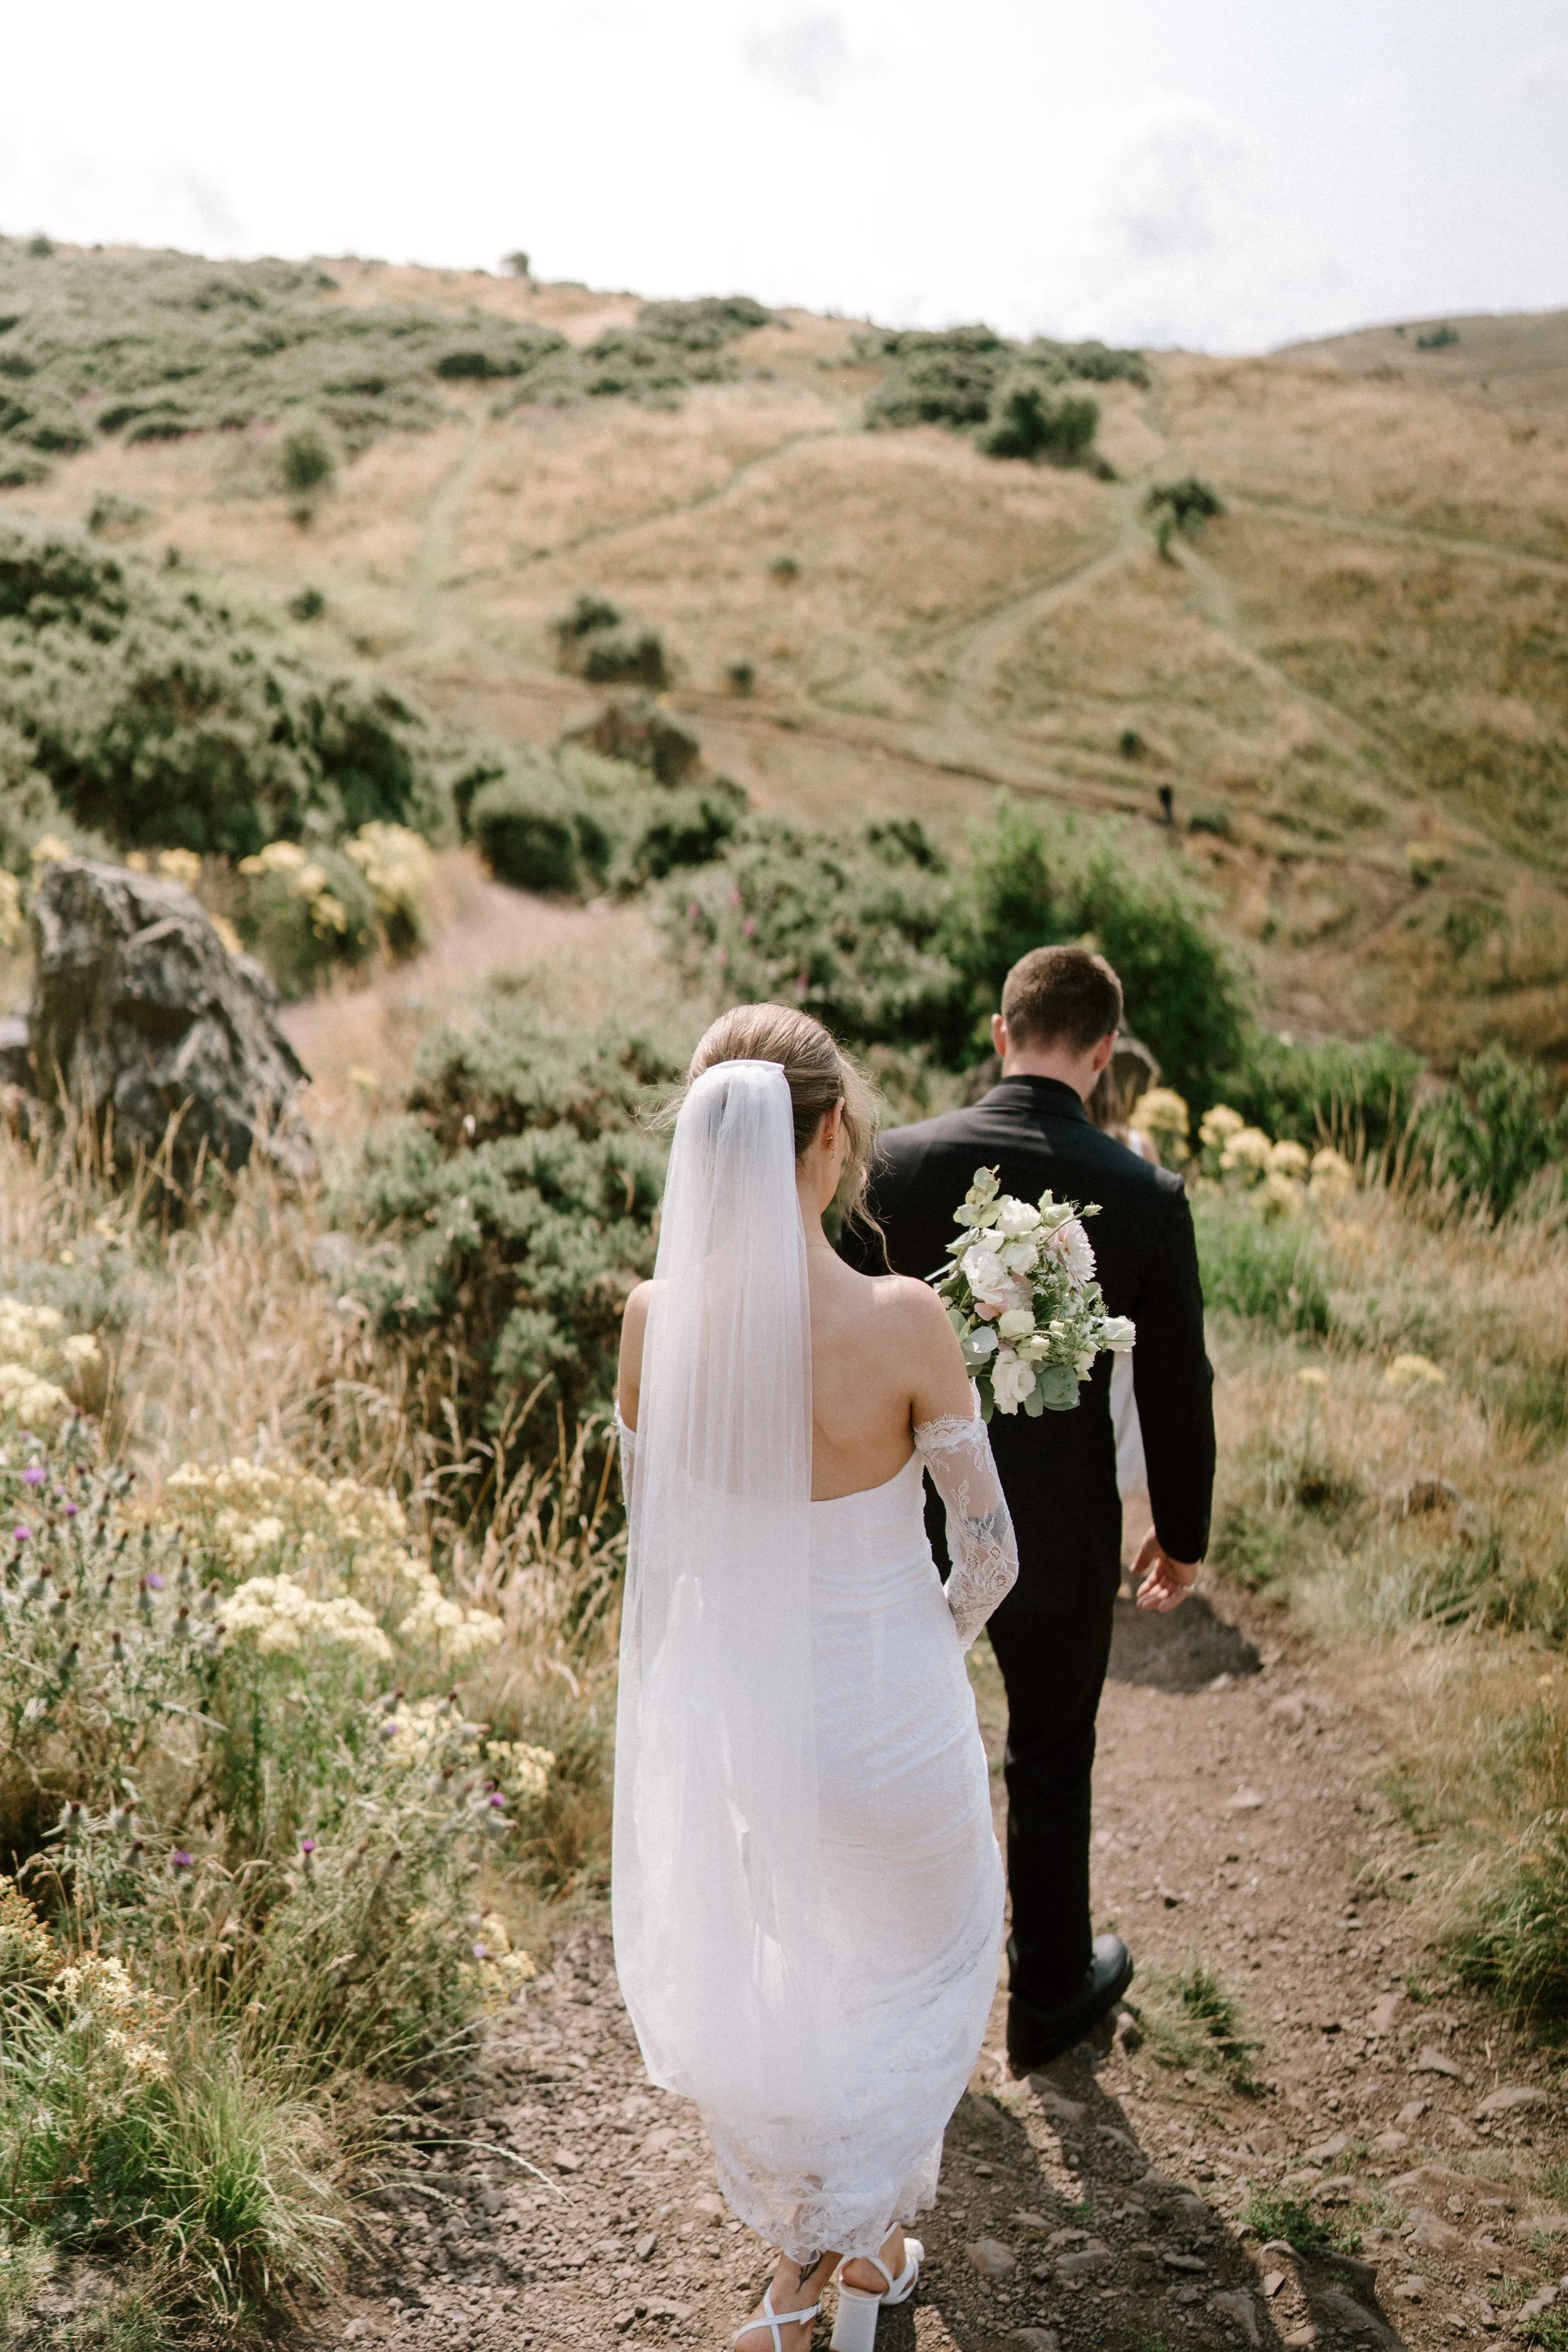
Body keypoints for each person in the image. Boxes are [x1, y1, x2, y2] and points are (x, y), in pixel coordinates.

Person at [613, 1004, 1021, 2352]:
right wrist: (921, 1640)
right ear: (834, 1133)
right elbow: (990, 1556)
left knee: (813, 1975)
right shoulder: (902, 1321)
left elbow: (659, 1549)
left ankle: (819, 2269)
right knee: (928, 1960)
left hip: (753, 1722)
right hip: (894, 1714)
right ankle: (842, 2269)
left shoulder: (651, 1321)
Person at [840, 945, 1216, 2076]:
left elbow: (844, 1340)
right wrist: (1182, 1533)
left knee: (897, 1749)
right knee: (1051, 1753)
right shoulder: (1148, 1195)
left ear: (1001, 1033)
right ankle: (1050, 1997)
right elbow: (1175, 1382)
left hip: (903, 1521)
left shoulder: (898, 1163)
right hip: (1059, 1532)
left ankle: (895, 1999)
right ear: (1103, 1058)